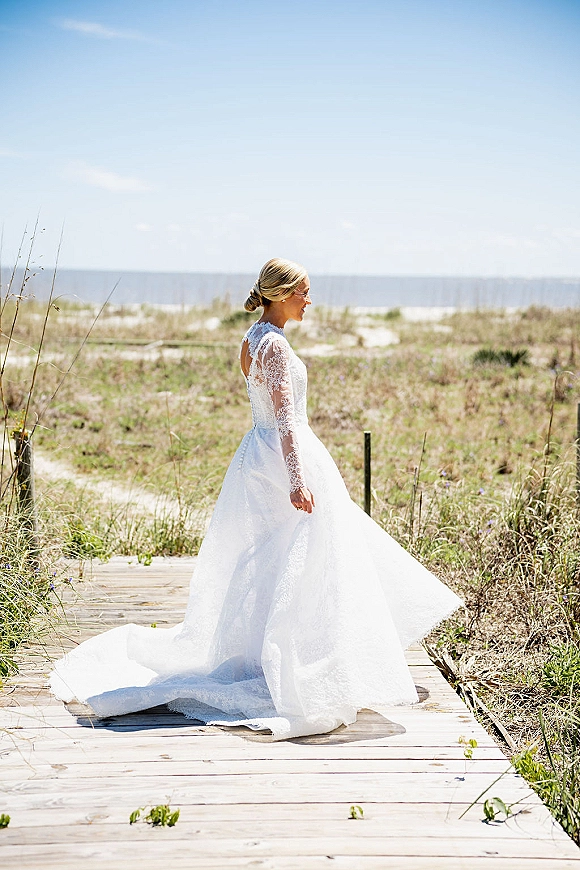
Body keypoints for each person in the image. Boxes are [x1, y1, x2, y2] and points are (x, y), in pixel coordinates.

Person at [51, 258, 462, 740]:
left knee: (284, 557)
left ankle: (293, 653)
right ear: (282, 293)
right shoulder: (275, 348)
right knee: (300, 556)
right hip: (282, 459)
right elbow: (286, 418)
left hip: (259, 454)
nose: (309, 300)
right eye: (303, 292)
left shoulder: (251, 338)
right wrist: (297, 479)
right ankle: (292, 663)